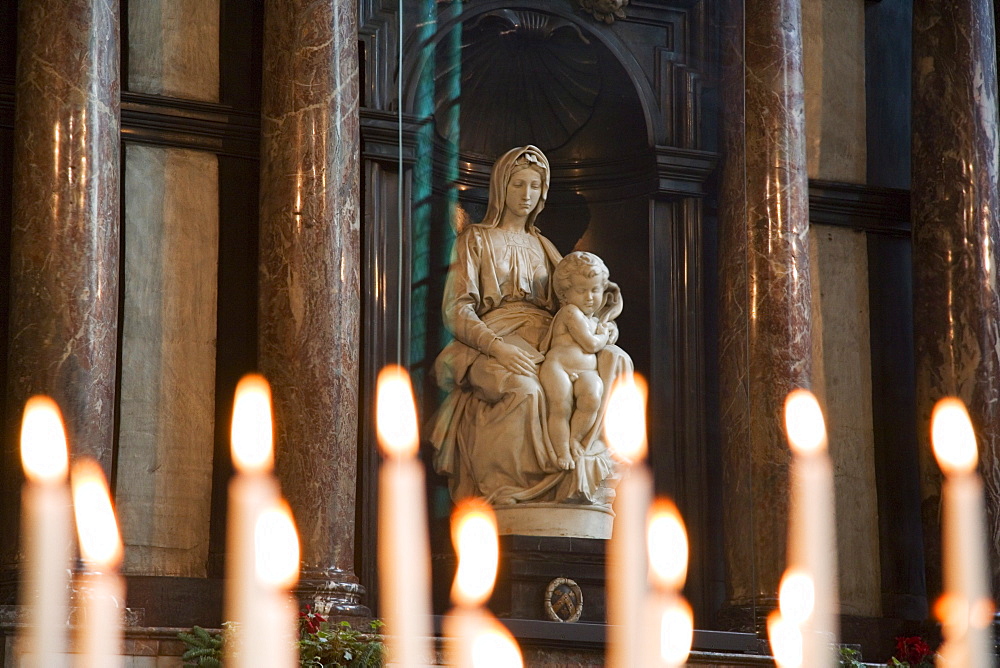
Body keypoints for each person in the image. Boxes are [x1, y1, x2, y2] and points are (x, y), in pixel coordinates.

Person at [431, 146, 631, 507]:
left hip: (549, 340)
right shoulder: (475, 239)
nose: (526, 195)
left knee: (615, 360)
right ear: (500, 188)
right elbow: (457, 310)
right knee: (526, 391)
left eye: (535, 187)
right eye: (518, 185)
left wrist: (605, 325)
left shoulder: (545, 247)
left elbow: (579, 301)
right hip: (493, 341)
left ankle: (584, 473)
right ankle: (509, 488)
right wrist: (498, 347)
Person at [539, 252, 620, 471]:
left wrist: (609, 330)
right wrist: (604, 335)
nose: (590, 297)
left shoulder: (593, 319)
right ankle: (562, 450)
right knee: (560, 408)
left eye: (595, 290)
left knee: (592, 399)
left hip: (586, 372)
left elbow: (603, 332)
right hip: (559, 368)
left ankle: (575, 437)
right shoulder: (569, 312)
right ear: (565, 294)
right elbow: (591, 345)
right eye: (581, 290)